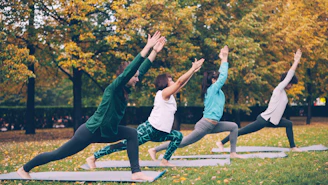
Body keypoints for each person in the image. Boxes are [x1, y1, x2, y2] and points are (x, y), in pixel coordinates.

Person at [17, 31, 165, 181]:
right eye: (134, 77)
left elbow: (140, 70)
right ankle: (24, 168)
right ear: (125, 76)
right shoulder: (114, 88)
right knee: (58, 154)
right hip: (91, 131)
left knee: (132, 134)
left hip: (107, 131)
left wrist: (154, 52)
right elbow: (130, 71)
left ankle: (136, 172)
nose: (137, 79)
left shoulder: (125, 89)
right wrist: (147, 47)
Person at [86, 58, 205, 168]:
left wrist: (193, 72)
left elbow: (181, 84)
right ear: (164, 83)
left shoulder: (170, 96)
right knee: (124, 145)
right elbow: (179, 82)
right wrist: (192, 69)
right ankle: (94, 157)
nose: (173, 82)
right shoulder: (163, 94)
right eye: (170, 80)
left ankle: (165, 161)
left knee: (177, 136)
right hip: (149, 129)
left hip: (160, 132)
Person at [149, 45, 244, 159]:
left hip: (213, 124)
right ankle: (155, 149)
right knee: (183, 142)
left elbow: (219, 75)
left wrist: (222, 58)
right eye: (216, 79)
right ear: (213, 81)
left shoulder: (215, 90)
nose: (219, 80)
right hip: (206, 125)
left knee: (233, 126)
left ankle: (233, 153)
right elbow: (222, 76)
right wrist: (225, 58)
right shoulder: (212, 90)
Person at [217, 49, 303, 152]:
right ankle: (221, 142)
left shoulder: (283, 92)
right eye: (291, 83)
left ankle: (293, 147)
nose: (291, 86)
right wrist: (296, 61)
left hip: (273, 121)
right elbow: (289, 75)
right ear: (287, 82)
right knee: (242, 131)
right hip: (265, 119)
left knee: (288, 123)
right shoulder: (279, 89)